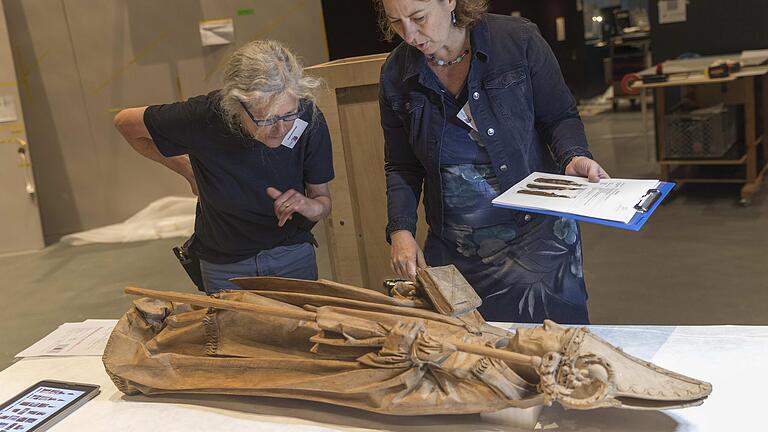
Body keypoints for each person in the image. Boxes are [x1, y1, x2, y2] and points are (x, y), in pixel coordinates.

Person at [375, 0, 610, 323]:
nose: (410, 35)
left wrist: (574, 155)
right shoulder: (396, 74)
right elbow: (402, 165)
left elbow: (559, 116)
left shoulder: (517, 41)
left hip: (538, 236)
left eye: (419, 18)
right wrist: (401, 230)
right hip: (459, 247)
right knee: (472, 354)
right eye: (396, 23)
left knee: (556, 350)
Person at [114, 40, 334, 294]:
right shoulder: (203, 117)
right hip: (226, 266)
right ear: (237, 105)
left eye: (288, 115)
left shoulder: (308, 116)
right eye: (268, 119)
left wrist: (308, 205)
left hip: (291, 255)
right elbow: (124, 123)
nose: (281, 129)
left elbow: (323, 202)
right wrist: (186, 170)